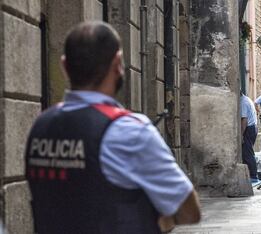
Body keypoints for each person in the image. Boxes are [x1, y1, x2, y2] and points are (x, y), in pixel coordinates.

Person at [25, 21, 200, 234]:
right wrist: (157, 222)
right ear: (117, 63)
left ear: (64, 66)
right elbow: (189, 210)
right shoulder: (131, 132)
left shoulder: (40, 126)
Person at [240, 91, 259, 183]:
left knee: (247, 153)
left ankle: (253, 176)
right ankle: (251, 174)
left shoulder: (243, 102)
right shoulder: (246, 99)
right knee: (247, 152)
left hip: (249, 129)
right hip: (253, 127)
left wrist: (241, 135)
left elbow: (244, 120)